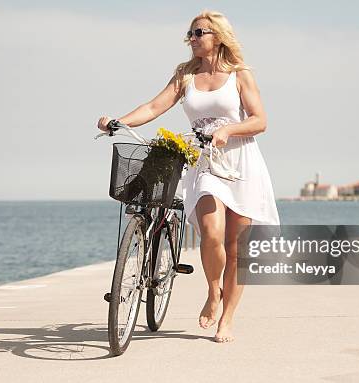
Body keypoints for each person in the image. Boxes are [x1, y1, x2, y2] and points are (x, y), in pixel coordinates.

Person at [97, 10, 280, 343]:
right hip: (205, 162)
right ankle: (213, 292)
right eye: (191, 33)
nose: (192, 38)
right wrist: (118, 122)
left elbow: (260, 121)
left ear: (218, 36)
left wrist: (229, 129)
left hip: (241, 161)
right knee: (211, 230)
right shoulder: (184, 75)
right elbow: (154, 107)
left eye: (199, 32)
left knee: (238, 247)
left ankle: (228, 317)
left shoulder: (239, 75)